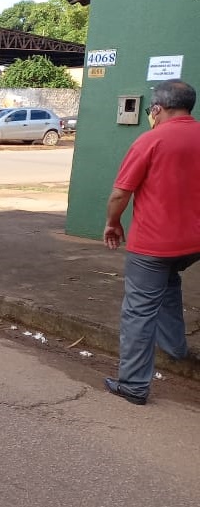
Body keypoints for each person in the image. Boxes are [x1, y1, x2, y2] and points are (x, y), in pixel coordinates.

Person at [103, 79, 200, 406]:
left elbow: (120, 194)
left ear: (157, 108)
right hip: (193, 243)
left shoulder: (151, 140)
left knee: (139, 311)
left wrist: (113, 223)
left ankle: (133, 385)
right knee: (168, 282)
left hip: (154, 244)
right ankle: (175, 347)